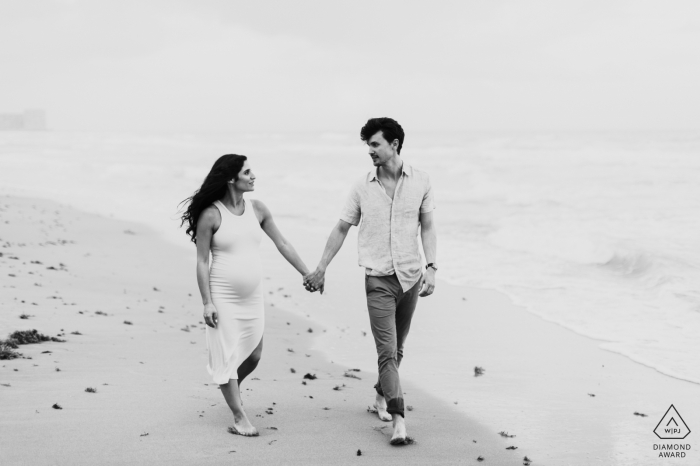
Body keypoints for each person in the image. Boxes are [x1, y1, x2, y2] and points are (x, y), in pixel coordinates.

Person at [304, 117, 437, 445]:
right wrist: (321, 267)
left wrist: (432, 267)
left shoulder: (421, 181)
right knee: (386, 352)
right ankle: (399, 420)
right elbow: (341, 228)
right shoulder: (362, 186)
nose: (370, 151)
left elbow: (429, 227)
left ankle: (381, 395)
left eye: (375, 144)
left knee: (398, 348)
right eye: (368, 145)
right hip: (378, 279)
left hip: (410, 277)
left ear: (394, 144)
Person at [180, 154, 312, 436]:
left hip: (252, 297)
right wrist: (207, 303)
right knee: (227, 357)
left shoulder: (258, 209)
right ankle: (239, 416)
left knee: (253, 355)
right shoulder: (212, 215)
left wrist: (306, 272)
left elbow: (283, 243)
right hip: (223, 296)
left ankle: (229, 385)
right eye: (248, 172)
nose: (254, 176)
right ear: (231, 178)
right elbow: (202, 261)